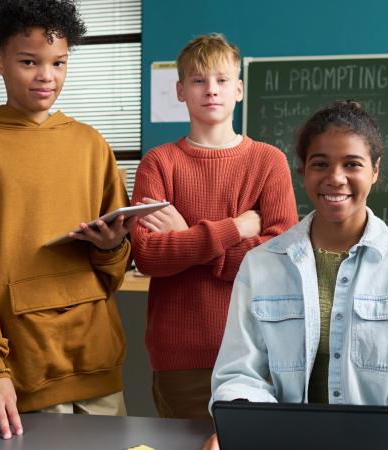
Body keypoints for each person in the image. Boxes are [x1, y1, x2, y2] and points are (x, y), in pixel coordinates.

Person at [0, 0, 136, 441]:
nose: (46, 76)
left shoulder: (91, 145)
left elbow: (112, 272)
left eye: (59, 62)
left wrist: (110, 247)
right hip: (15, 376)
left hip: (96, 368)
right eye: (29, 62)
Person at [204, 100, 388, 450]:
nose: (335, 178)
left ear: (374, 170)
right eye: (320, 164)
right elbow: (240, 373)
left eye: (352, 164)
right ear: (303, 171)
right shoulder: (261, 264)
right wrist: (237, 429)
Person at [130, 33, 298, 421]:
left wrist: (188, 236)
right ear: (180, 91)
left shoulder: (268, 162)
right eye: (198, 81)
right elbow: (149, 256)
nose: (211, 90)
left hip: (259, 352)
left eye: (222, 80)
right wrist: (236, 228)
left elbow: (280, 264)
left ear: (238, 89)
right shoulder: (158, 163)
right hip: (180, 355)